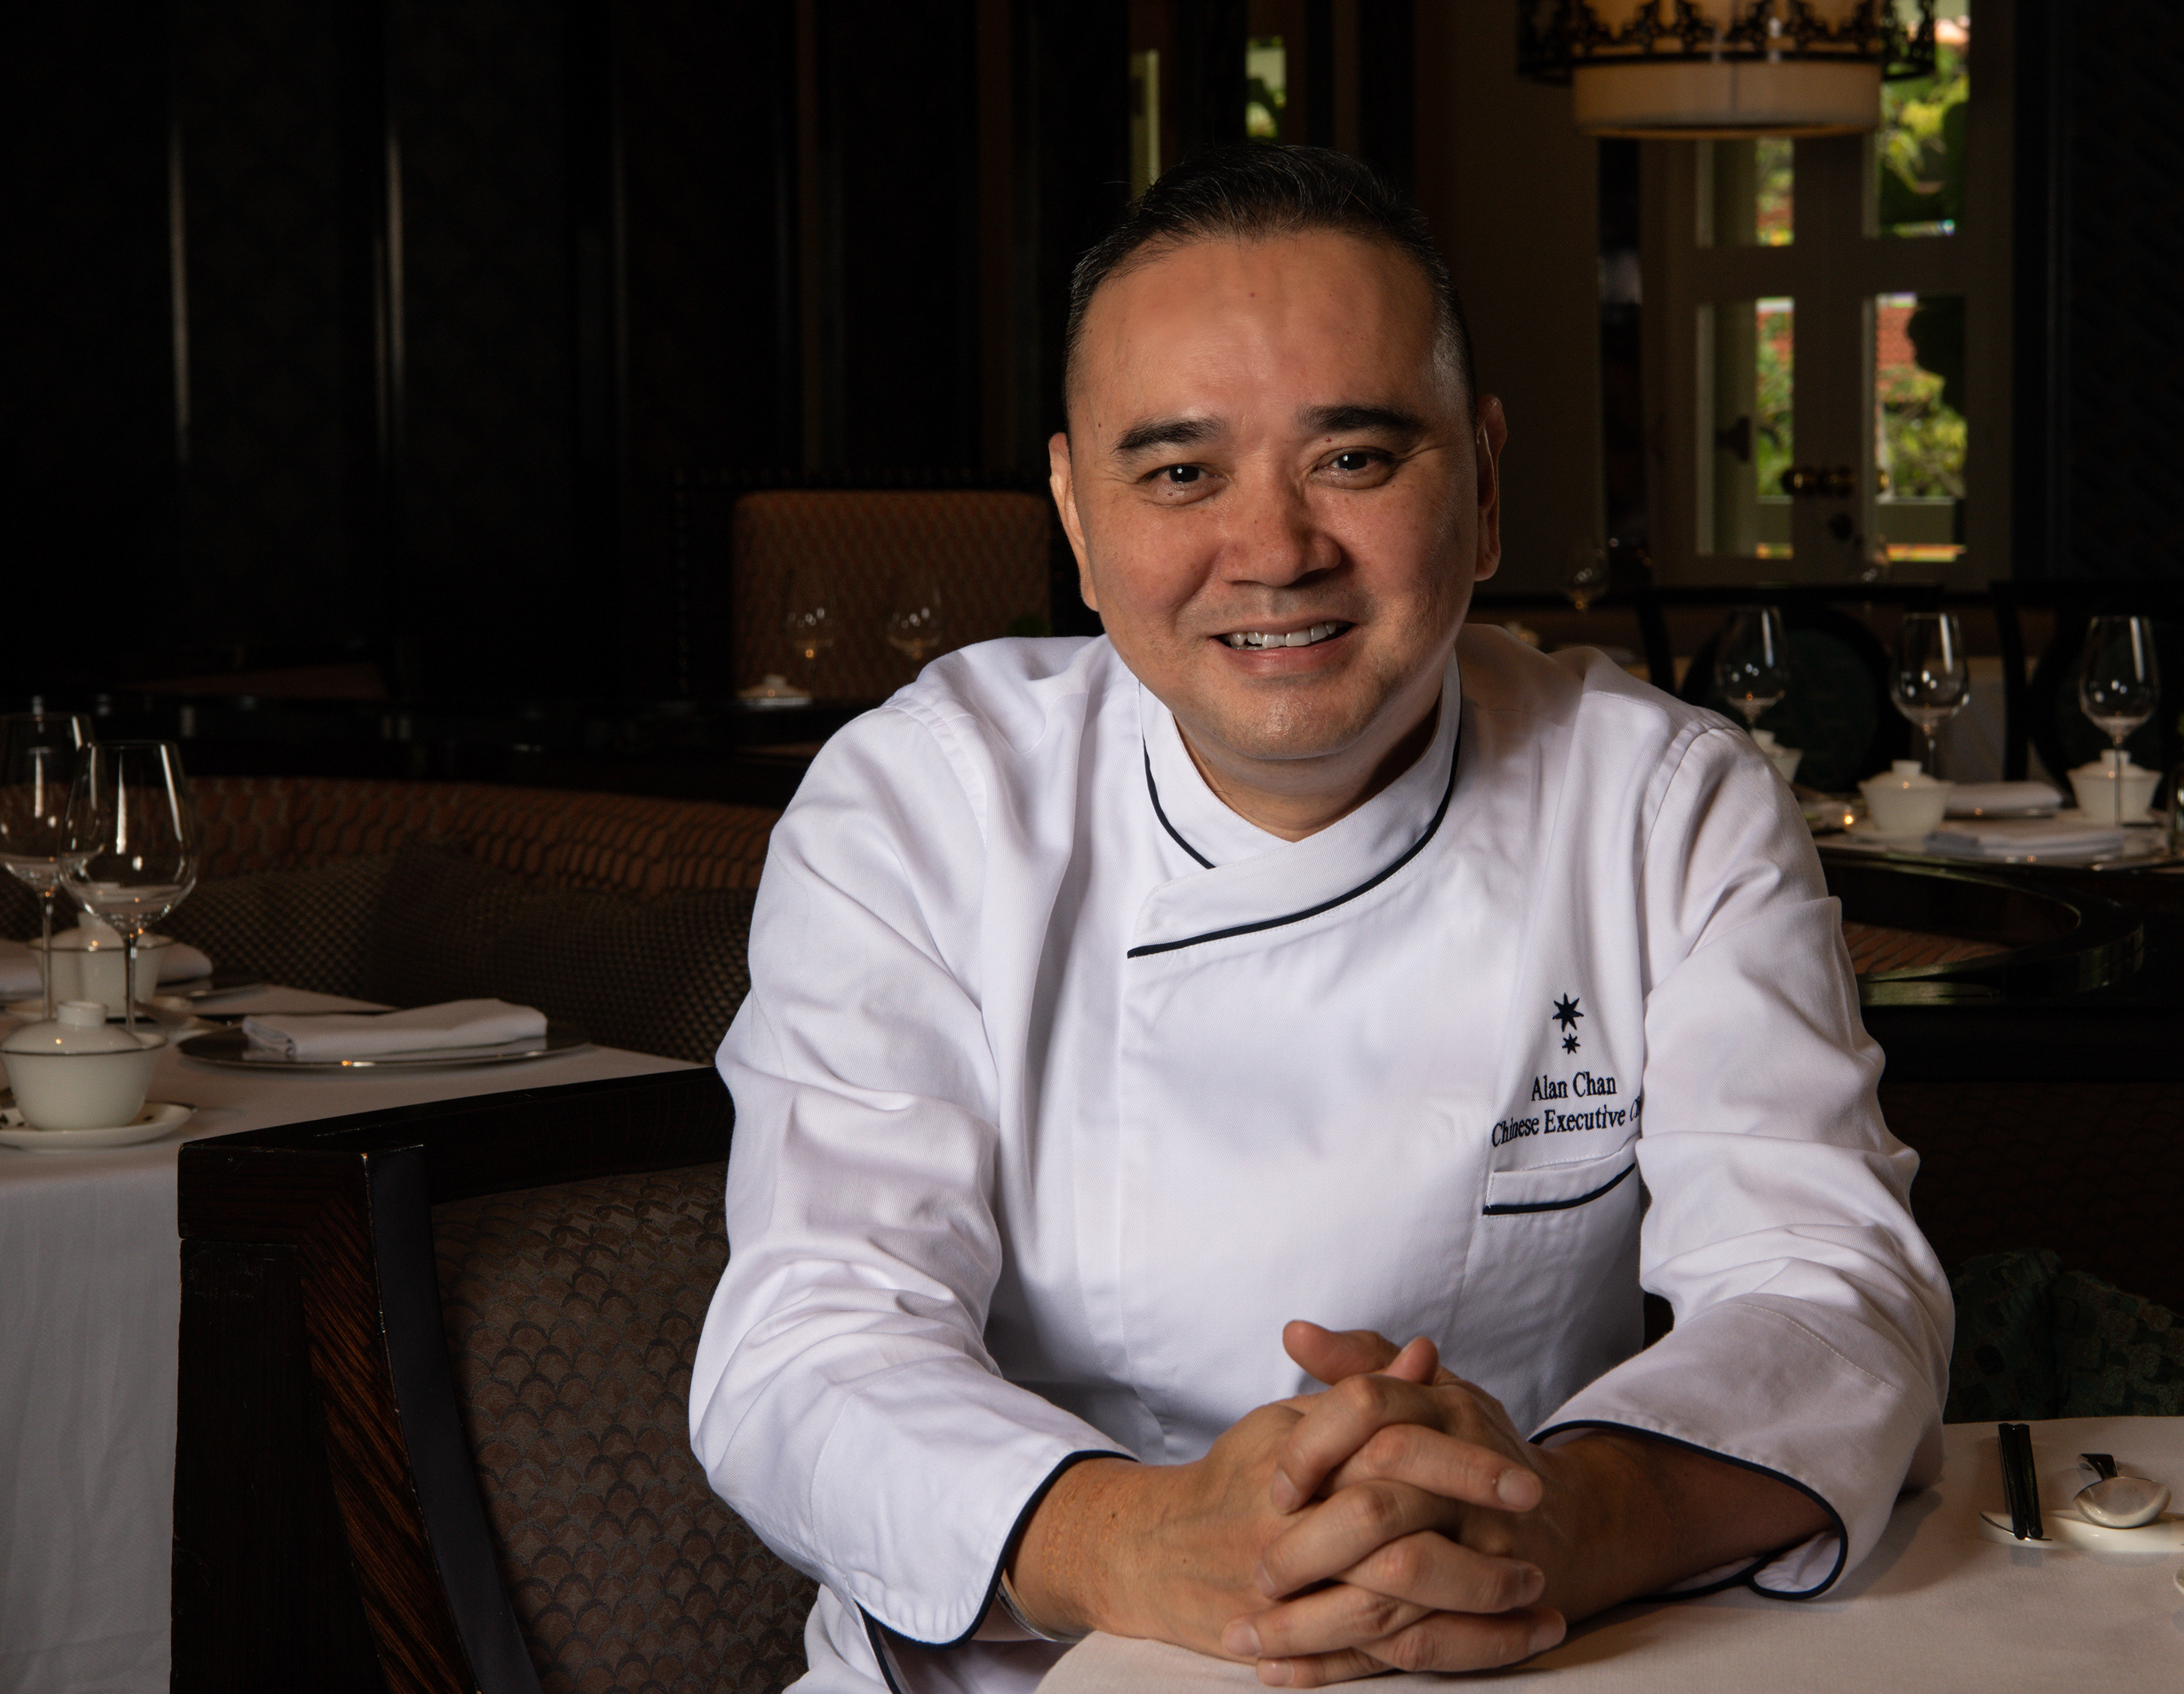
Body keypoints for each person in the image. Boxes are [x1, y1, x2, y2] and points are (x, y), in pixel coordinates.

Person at [689, 145, 1951, 1694]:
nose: (1276, 550)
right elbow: (807, 1348)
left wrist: (1562, 1514)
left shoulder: (1661, 805)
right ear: (1076, 516)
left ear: (1485, 487)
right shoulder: (925, 807)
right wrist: (1149, 1541)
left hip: (1515, 1647)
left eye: (1353, 457)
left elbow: (1829, 1287)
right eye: (1180, 474)